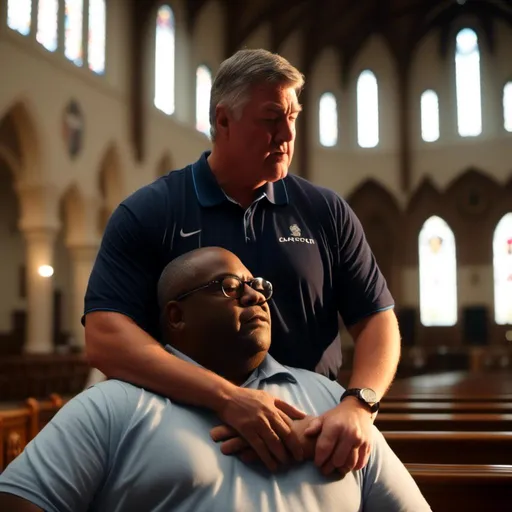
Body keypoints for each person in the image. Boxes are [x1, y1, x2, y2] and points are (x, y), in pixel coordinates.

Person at [83, 48, 401, 474]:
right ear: (223, 120)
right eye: (272, 118)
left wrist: (359, 405)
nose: (288, 134)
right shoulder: (152, 210)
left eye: (293, 116)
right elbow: (105, 335)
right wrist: (225, 398)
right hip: (188, 432)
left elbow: (378, 320)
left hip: (316, 434)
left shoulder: (325, 212)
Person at [0, 248, 429, 512]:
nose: (254, 295)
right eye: (228, 286)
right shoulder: (113, 406)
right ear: (176, 316)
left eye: (258, 285)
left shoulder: (330, 399)